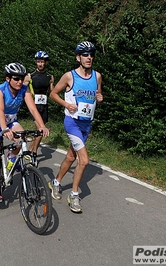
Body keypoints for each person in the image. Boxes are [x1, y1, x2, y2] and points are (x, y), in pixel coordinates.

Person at [49, 41, 103, 213]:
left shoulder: (97, 76)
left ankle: (55, 183)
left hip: (87, 123)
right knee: (84, 160)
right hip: (72, 122)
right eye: (85, 54)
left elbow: (97, 94)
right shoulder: (69, 76)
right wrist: (66, 104)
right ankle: (73, 195)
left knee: (71, 157)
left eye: (91, 54)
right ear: (78, 57)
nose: (89, 57)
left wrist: (99, 97)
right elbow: (53, 93)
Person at [0, 62, 50, 203]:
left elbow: (33, 109)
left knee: (23, 138)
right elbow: (0, 111)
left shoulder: (24, 90)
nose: (20, 81)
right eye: (16, 78)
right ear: (8, 79)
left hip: (11, 121)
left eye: (21, 78)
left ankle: (12, 156)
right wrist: (4, 129)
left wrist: (42, 126)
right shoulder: (0, 90)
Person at [24, 51, 54, 163]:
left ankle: (31, 149)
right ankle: (34, 153)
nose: (40, 64)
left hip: (44, 105)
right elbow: (22, 89)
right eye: (38, 62)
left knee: (40, 130)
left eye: (42, 62)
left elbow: (52, 92)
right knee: (40, 130)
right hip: (34, 106)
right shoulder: (30, 76)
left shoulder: (49, 76)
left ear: (46, 62)